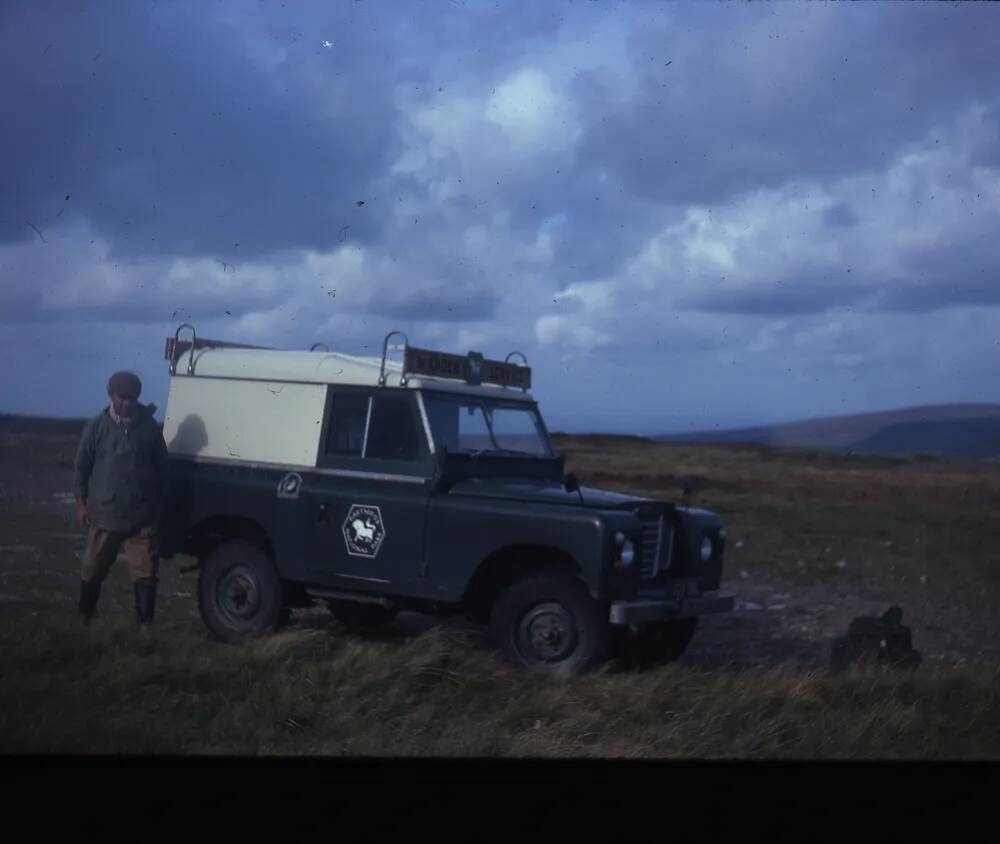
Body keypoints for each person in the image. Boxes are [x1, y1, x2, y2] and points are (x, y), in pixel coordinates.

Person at [73, 371, 169, 628]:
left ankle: (145, 629)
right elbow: (82, 467)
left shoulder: (149, 429)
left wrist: (159, 508)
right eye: (122, 397)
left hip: (141, 518)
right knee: (92, 570)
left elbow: (163, 468)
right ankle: (84, 622)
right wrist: (81, 504)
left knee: (145, 574)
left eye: (133, 398)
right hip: (105, 515)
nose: (127, 403)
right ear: (111, 395)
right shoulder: (97, 427)